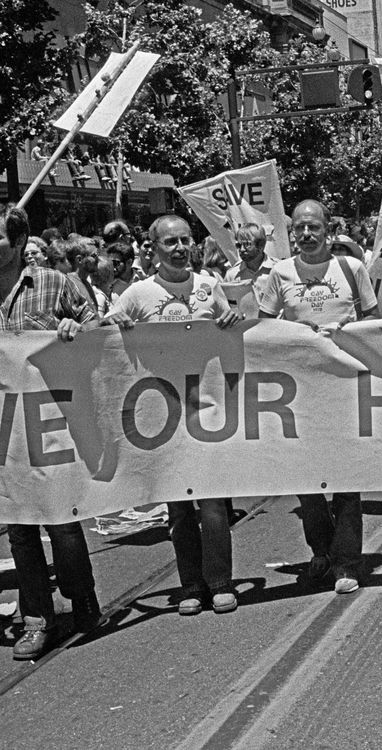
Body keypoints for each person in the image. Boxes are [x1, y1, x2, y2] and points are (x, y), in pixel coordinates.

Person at [102, 214, 241, 616]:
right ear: (154, 249)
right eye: (170, 242)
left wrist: (230, 318)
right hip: (161, 415)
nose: (180, 248)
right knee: (179, 508)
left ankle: (220, 582)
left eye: (185, 240)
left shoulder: (209, 286)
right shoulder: (137, 294)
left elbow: (230, 330)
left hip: (205, 411)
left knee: (213, 505)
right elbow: (101, 333)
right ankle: (191, 585)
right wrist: (114, 324)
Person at [258, 199, 379, 594]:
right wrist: (294, 331)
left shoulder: (352, 269)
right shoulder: (280, 273)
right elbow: (263, 326)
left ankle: (348, 562)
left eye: (314, 227)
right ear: (291, 232)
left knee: (346, 480)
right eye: (300, 228)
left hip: (345, 388)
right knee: (307, 481)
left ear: (329, 228)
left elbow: (375, 321)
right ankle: (321, 551)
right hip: (299, 393)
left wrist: (349, 329)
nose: (307, 235)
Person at [0, 204, 102, 660]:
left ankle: (83, 601)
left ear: (19, 243)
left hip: (53, 421)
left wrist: (76, 326)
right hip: (6, 431)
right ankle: (37, 619)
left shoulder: (55, 283)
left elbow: (101, 329)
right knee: (20, 528)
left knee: (63, 518)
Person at [223, 223, 277, 313]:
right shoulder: (232, 275)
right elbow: (226, 306)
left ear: (261, 246)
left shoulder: (277, 270)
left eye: (247, 244)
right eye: (239, 246)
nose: (242, 250)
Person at [61, 237, 100, 309]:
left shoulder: (84, 282)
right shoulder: (71, 284)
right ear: (79, 259)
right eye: (94, 255)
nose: (98, 259)